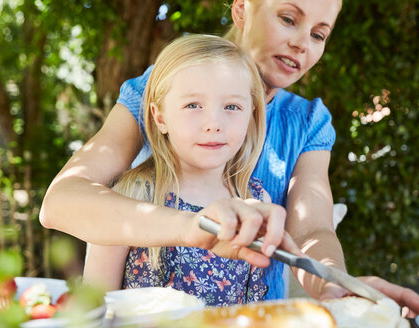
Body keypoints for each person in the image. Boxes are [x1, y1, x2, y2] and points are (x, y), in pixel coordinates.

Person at [40, 0, 419, 321]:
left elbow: (312, 228)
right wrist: (196, 227)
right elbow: (63, 201)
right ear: (241, 9)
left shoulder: (305, 124)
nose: (303, 43)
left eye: (319, 34)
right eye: (288, 18)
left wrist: (329, 281)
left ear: (251, 118)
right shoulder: (162, 84)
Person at [83, 34, 299, 306]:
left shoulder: (254, 202)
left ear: (251, 115)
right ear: (160, 117)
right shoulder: (131, 196)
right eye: (193, 105)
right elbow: (91, 308)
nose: (213, 123)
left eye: (232, 106)